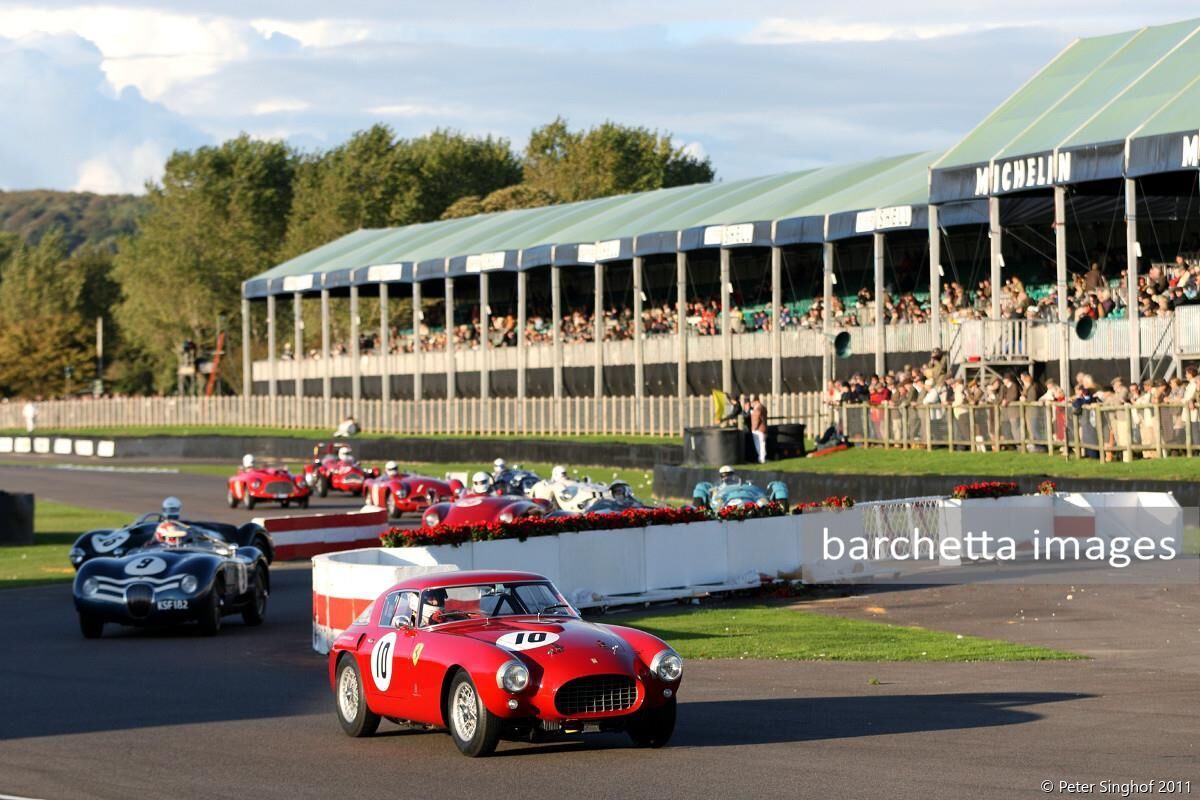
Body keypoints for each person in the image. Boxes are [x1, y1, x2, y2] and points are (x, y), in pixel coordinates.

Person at [749, 395, 768, 464]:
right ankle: (762, 458)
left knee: (759, 444)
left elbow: (756, 418)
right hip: (763, 428)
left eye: (752, 402)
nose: (752, 404)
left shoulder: (758, 408)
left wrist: (754, 428)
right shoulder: (763, 407)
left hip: (758, 429)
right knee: (762, 444)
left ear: (756, 401)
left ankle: (761, 459)